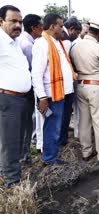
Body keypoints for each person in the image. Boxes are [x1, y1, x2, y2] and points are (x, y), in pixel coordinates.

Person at [32, 13, 76, 166]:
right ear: (52, 27)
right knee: (53, 127)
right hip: (52, 95)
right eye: (60, 25)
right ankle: (49, 159)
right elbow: (36, 74)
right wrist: (42, 97)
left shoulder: (58, 42)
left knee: (57, 126)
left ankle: (52, 154)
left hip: (64, 92)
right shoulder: (42, 44)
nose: (63, 28)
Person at [70, 22, 99, 163]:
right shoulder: (98, 48)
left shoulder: (75, 46)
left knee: (84, 121)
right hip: (96, 87)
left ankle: (86, 152)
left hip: (81, 86)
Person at [0, 5, 32, 189]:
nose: (18, 25)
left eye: (20, 21)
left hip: (21, 99)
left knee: (16, 141)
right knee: (10, 142)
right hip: (7, 99)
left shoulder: (14, 43)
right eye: (13, 21)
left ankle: (9, 174)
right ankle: (12, 183)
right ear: (1, 21)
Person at [18, 13, 43, 162]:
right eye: (41, 26)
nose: (43, 28)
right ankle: (24, 157)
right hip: (25, 91)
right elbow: (34, 69)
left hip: (22, 90)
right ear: (34, 28)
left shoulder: (25, 40)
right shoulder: (27, 45)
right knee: (26, 124)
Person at [58, 16, 82, 146]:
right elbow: (67, 62)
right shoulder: (66, 41)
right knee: (66, 111)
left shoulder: (60, 37)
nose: (77, 36)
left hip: (59, 81)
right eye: (77, 33)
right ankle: (62, 139)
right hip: (66, 82)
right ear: (71, 29)